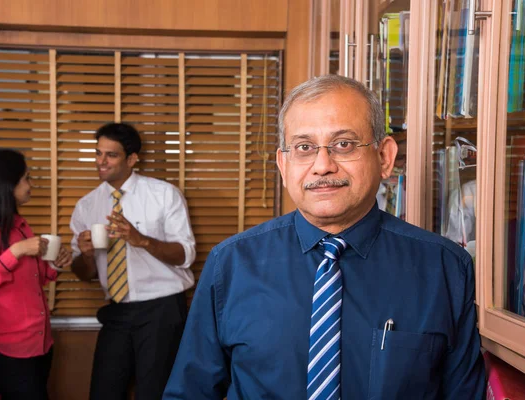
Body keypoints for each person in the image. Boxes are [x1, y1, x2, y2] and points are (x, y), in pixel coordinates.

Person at [163, 75, 485, 399]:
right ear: (283, 164)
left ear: (384, 157)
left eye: (343, 144)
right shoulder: (231, 265)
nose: (322, 166)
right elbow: (190, 392)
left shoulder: (444, 268)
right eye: (304, 148)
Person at [70, 122, 196, 400]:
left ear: (132, 159)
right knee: (104, 392)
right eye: (98, 153)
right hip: (117, 311)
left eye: (111, 155)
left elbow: (185, 255)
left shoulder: (163, 195)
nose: (101, 161)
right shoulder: (87, 205)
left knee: (154, 393)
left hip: (162, 310)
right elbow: (83, 273)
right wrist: (87, 254)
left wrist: (141, 240)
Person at [0, 148, 72, 400]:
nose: (30, 185)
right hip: (9, 350)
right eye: (26, 178)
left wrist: (56, 266)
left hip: (40, 343)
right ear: (8, 184)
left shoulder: (19, 223)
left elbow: (33, 279)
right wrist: (15, 252)